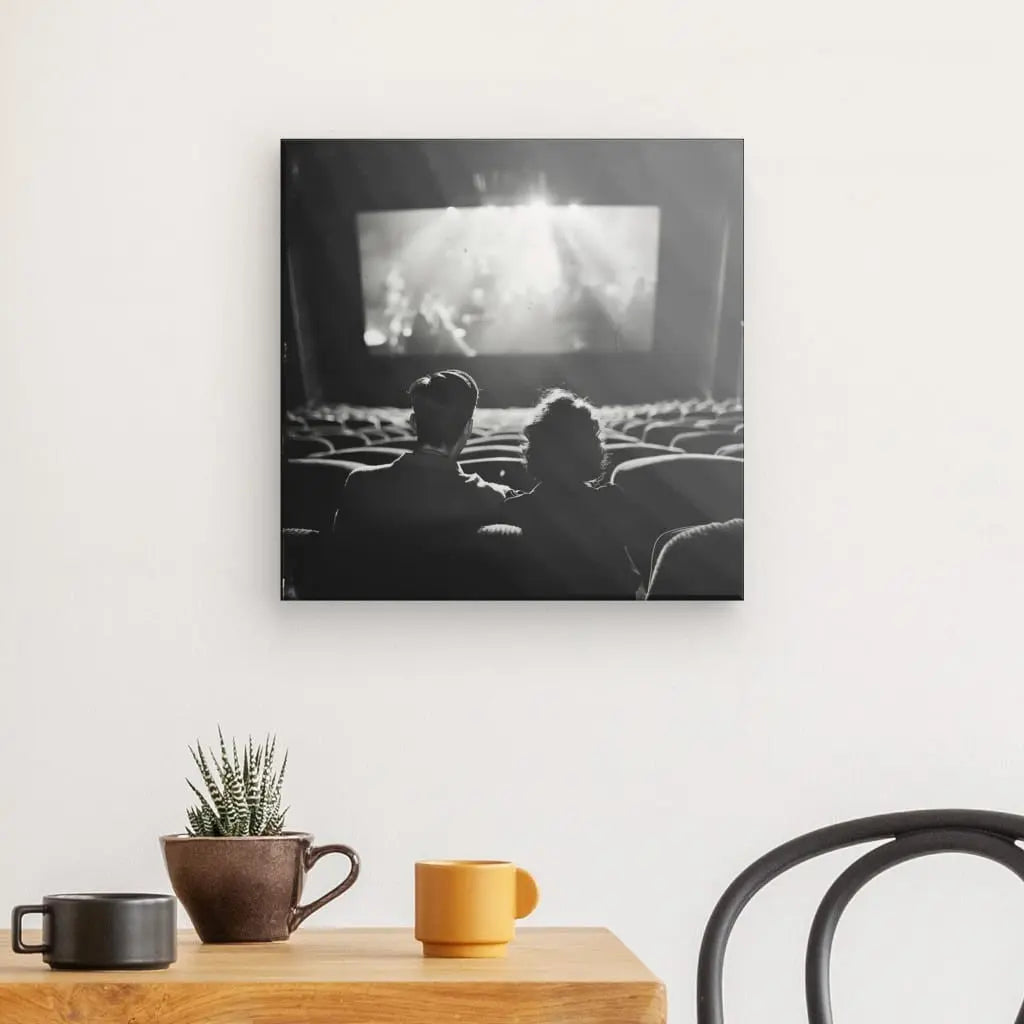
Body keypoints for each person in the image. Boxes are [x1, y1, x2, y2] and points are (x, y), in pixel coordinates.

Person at [331, 371, 509, 596]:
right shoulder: (489, 497)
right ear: (468, 428)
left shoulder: (359, 483)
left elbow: (339, 565)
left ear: (414, 423)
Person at [502, 389, 641, 597]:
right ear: (592, 449)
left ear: (535, 450)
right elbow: (630, 581)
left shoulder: (516, 510)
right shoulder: (613, 502)